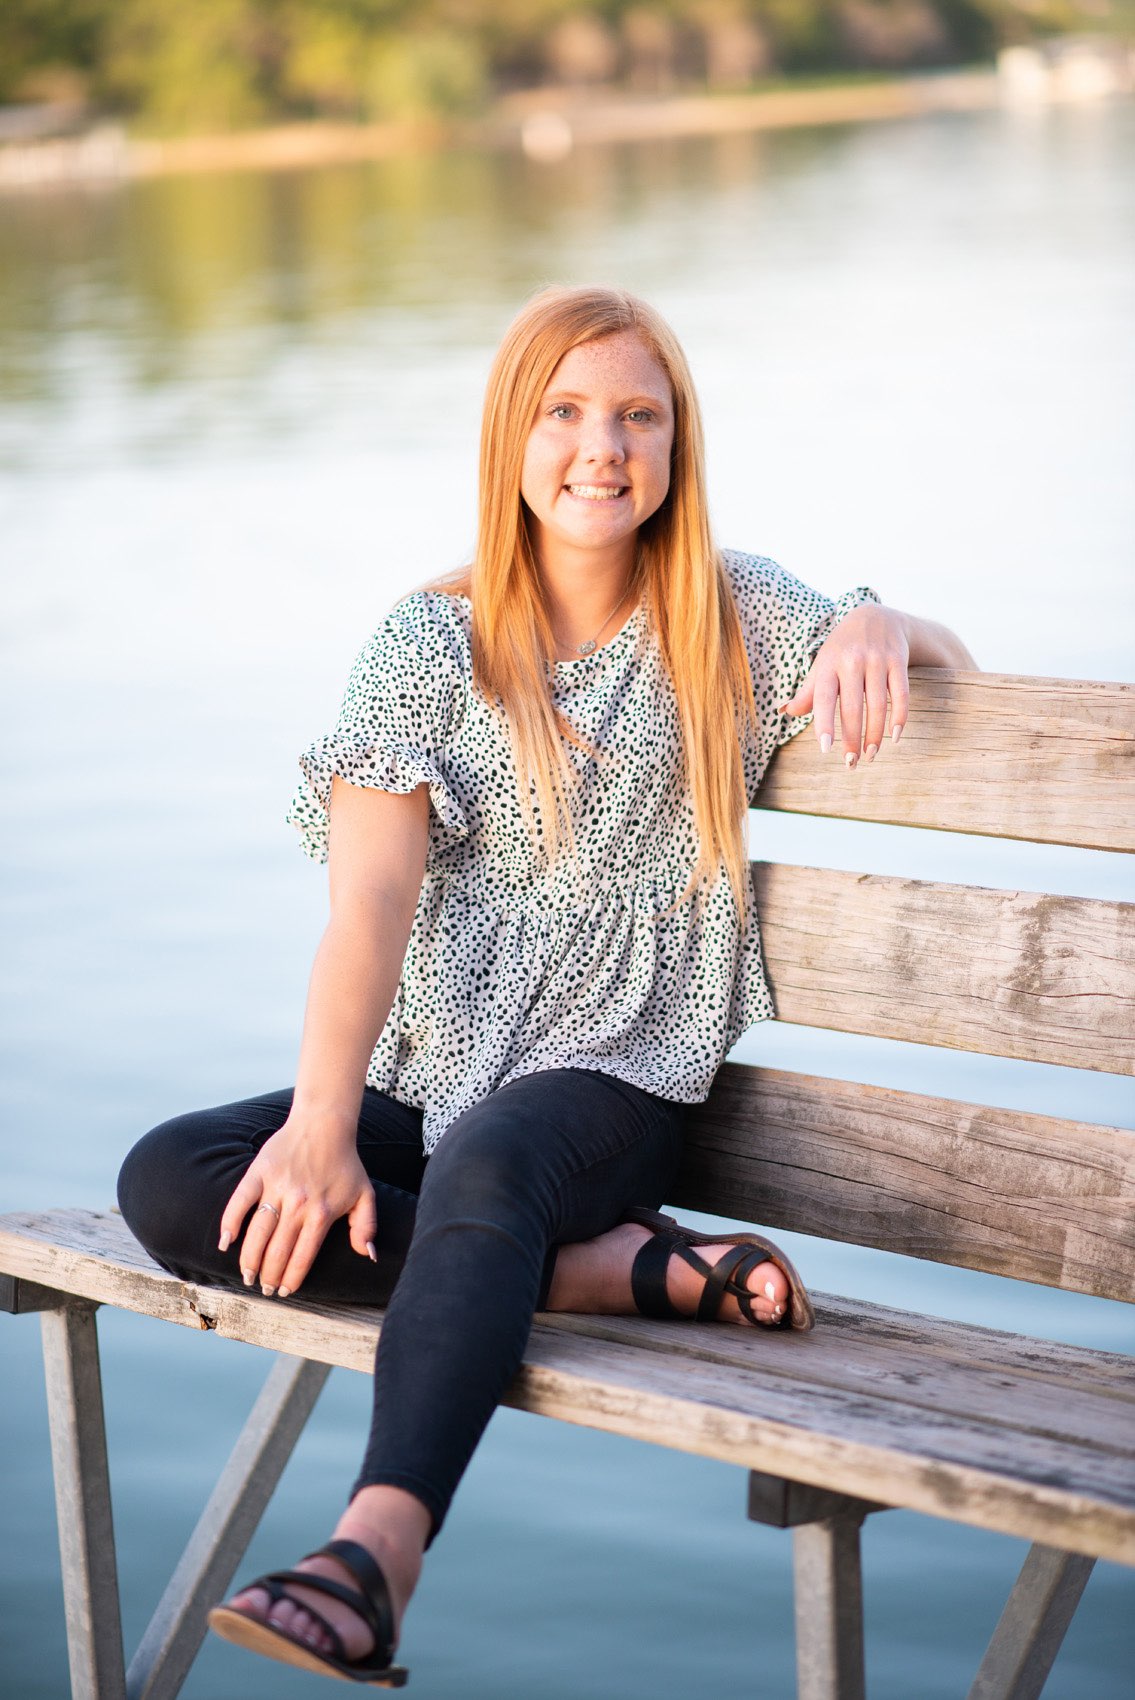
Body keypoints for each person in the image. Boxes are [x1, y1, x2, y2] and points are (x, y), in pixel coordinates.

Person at [116, 284, 975, 1686]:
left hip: (614, 1078)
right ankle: (606, 1272)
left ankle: (370, 1553)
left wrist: (886, 626)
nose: (603, 446)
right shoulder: (423, 645)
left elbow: (944, 669)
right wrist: (324, 1124)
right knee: (178, 1174)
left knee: (492, 1165)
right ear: (510, 439)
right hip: (438, 1063)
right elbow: (370, 907)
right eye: (566, 412)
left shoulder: (729, 609)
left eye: (640, 414)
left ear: (677, 446)